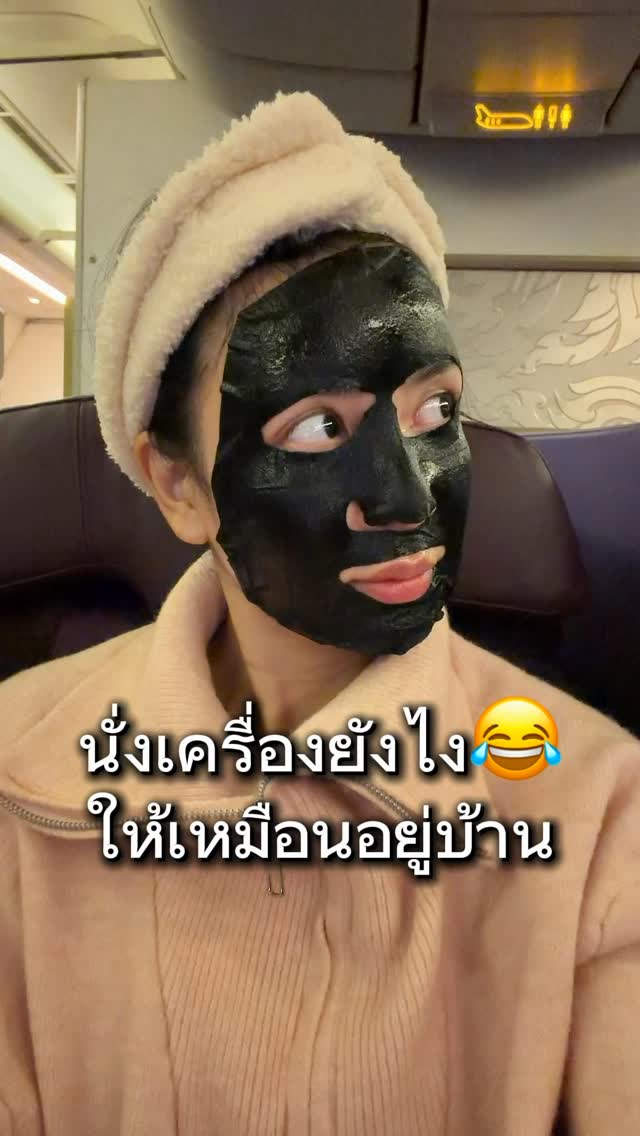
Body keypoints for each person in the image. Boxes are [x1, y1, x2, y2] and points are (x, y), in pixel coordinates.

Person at [0, 91, 638, 1136]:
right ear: (179, 485)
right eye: (317, 428)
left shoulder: (602, 809)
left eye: (434, 411)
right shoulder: (17, 780)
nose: (406, 497)